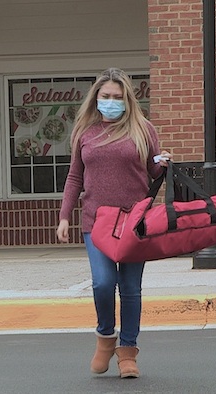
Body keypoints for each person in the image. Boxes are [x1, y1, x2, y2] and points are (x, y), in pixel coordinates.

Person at [56, 68, 172, 379]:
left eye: (117, 97)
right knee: (103, 283)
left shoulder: (143, 129)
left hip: (134, 222)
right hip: (96, 221)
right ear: (96, 98)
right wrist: (64, 216)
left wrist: (162, 164)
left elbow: (153, 171)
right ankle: (105, 337)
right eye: (105, 96)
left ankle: (128, 353)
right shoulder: (85, 132)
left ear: (127, 99)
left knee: (131, 288)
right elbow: (74, 177)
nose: (111, 102)